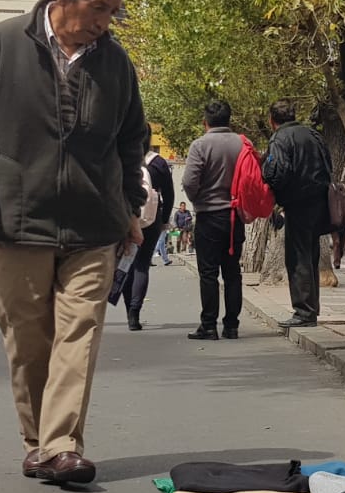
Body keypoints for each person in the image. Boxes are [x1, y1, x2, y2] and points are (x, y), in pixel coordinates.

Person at [0, 0, 147, 487]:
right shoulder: (1, 46)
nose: (104, 23)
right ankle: (36, 443)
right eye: (98, 9)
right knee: (28, 336)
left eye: (111, 13)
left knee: (78, 331)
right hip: (20, 220)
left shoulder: (115, 64)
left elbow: (132, 140)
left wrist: (129, 205)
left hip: (93, 225)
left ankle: (61, 446)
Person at [262, 99, 333, 328]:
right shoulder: (313, 135)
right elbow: (328, 165)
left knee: (298, 257)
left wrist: (275, 196)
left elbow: (278, 172)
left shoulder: (280, 138)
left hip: (298, 203)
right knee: (310, 256)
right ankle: (310, 309)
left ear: (272, 121)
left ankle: (304, 312)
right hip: (319, 202)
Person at [181, 100, 246, 341]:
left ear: (205, 122)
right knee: (232, 273)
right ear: (230, 120)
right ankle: (232, 325)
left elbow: (189, 181)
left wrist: (198, 198)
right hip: (234, 216)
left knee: (208, 273)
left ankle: (209, 325)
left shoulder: (200, 145)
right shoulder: (242, 144)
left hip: (209, 216)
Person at [122, 126, 175, 330]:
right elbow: (169, 195)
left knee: (127, 264)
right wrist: (164, 219)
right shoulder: (159, 163)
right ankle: (135, 311)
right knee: (142, 265)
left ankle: (129, 311)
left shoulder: (124, 159)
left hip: (127, 217)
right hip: (152, 218)